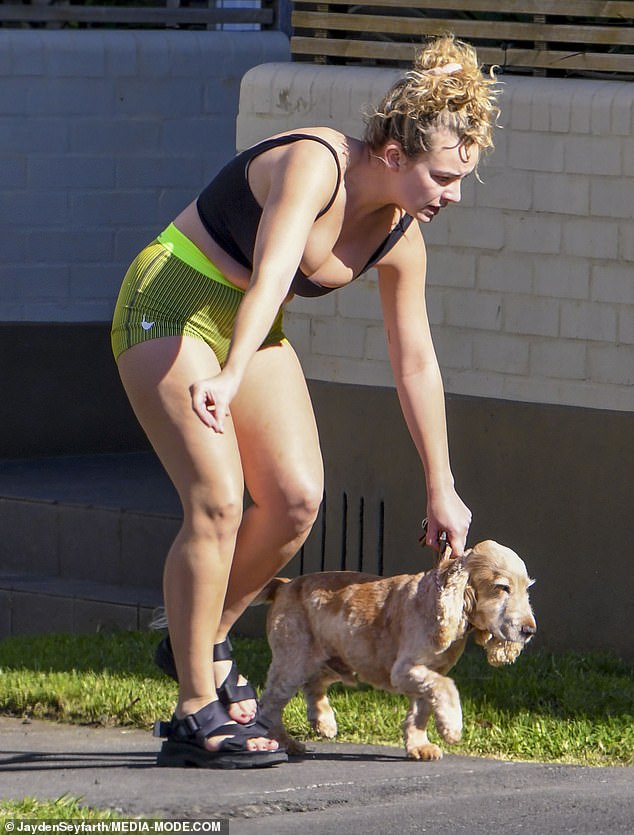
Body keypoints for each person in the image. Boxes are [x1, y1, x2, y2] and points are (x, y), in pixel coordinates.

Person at [111, 34, 500, 769]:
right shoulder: (313, 162)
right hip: (175, 298)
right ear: (394, 156)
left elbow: (416, 361)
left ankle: (196, 642)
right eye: (444, 176)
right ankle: (197, 708)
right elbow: (270, 275)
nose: (451, 194)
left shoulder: (403, 238)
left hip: (247, 329)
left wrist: (441, 486)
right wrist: (226, 375)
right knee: (219, 499)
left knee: (294, 498)